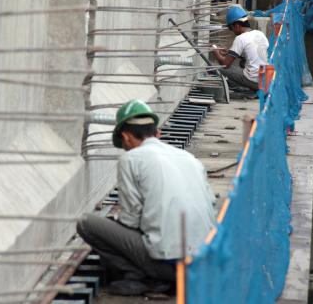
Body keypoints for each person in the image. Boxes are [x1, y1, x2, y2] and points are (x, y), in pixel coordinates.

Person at [76, 100, 216, 296]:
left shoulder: (131, 158)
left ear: (125, 137)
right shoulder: (188, 158)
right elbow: (211, 206)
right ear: (156, 133)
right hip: (205, 266)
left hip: (172, 267)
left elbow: (131, 220)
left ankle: (144, 277)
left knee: (87, 223)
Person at [212, 6, 269, 92]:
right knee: (242, 63)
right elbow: (253, 55)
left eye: (231, 28)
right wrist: (229, 52)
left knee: (214, 68)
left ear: (237, 25)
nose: (232, 31)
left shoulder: (240, 38)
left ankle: (243, 88)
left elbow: (225, 64)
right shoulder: (259, 33)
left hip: (254, 82)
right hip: (265, 81)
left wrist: (215, 52)